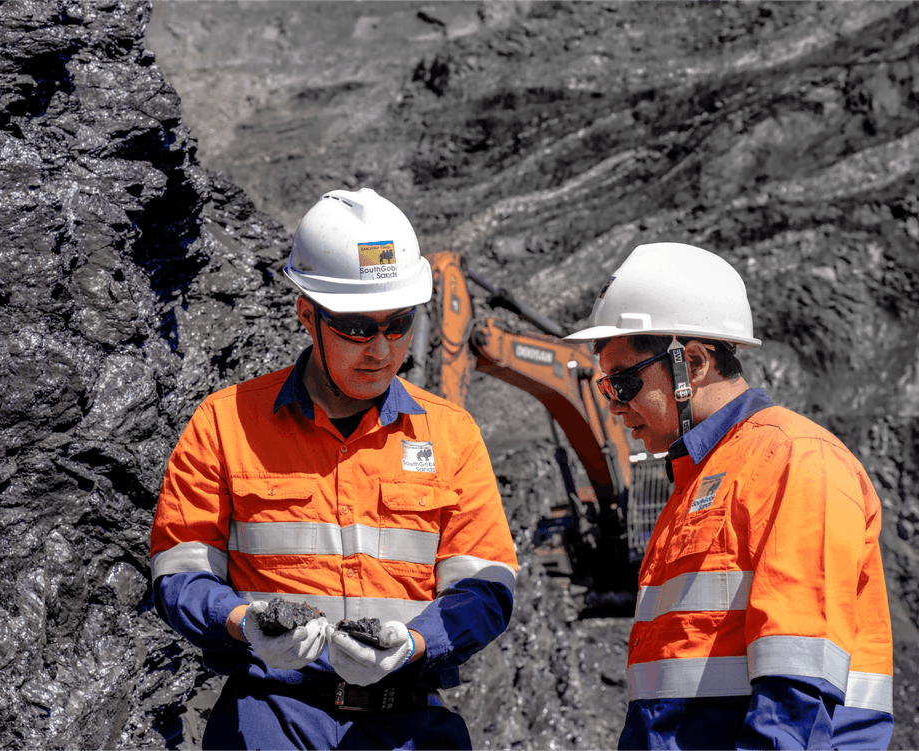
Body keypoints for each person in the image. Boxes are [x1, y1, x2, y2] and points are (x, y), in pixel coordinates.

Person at [149, 187, 518, 751]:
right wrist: (244, 620)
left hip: (411, 723)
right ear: (307, 315)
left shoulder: (451, 435)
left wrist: (414, 645)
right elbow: (180, 576)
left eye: (398, 325)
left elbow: (485, 591)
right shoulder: (225, 424)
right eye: (356, 328)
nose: (380, 350)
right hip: (270, 719)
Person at [566, 242, 894, 751]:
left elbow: (797, 687)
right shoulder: (696, 482)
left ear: (692, 363)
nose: (614, 406)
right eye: (607, 388)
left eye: (625, 383)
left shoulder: (794, 459)